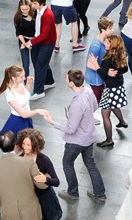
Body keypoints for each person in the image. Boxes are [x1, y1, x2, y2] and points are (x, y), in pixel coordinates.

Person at [44, 68, 107, 203]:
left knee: (67, 163)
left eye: (67, 78)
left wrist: (52, 123)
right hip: (89, 136)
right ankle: (100, 193)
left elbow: (71, 129)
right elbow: (95, 106)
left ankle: (72, 192)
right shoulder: (88, 91)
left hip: (77, 141)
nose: (66, 79)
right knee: (90, 164)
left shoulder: (78, 103)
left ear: (72, 83)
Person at [17, 128, 61, 220]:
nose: (25, 147)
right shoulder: (19, 158)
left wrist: (45, 179)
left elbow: (56, 181)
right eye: (23, 144)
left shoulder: (44, 160)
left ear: (35, 146)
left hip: (44, 196)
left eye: (28, 145)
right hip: (28, 196)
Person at [88, 33, 129, 149]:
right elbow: (125, 69)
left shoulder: (107, 58)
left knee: (105, 114)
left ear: (112, 45)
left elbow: (103, 76)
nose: (105, 44)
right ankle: (122, 122)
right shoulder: (121, 55)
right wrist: (117, 73)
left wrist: (96, 64)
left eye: (107, 42)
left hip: (111, 89)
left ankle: (109, 140)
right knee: (114, 105)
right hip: (119, 86)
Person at [26, 0, 56, 98]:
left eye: (34, 3)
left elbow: (44, 35)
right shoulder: (39, 11)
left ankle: (39, 91)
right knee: (41, 64)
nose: (32, 5)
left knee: (39, 66)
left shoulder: (47, 15)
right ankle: (49, 81)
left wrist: (30, 42)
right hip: (39, 41)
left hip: (46, 43)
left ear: (41, 3)